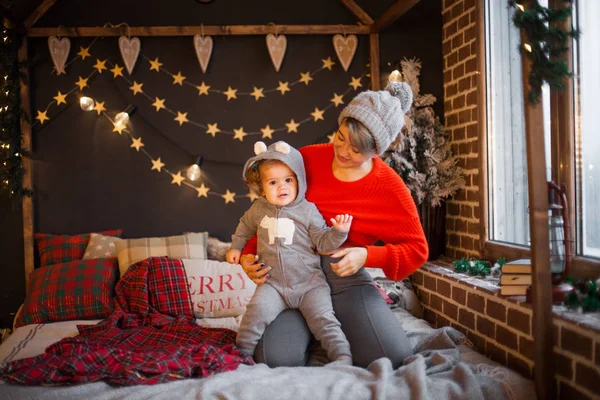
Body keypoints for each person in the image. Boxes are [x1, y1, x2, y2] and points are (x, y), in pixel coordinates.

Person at [239, 81, 429, 369]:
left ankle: (331, 325)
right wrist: (248, 256)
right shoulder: (306, 159)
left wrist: (367, 255)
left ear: (377, 150)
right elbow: (270, 210)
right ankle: (316, 329)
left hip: (345, 280)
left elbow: (417, 249)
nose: (342, 151)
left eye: (356, 149)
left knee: (392, 358)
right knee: (275, 359)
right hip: (294, 275)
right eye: (340, 137)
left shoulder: (389, 188)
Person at [226, 140, 354, 366]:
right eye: (273, 182)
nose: (282, 187)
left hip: (309, 283)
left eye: (288, 180)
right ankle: (241, 355)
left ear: (299, 181)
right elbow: (244, 226)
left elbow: (323, 242)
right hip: (272, 284)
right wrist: (236, 247)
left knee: (324, 319)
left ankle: (342, 356)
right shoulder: (258, 209)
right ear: (262, 188)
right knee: (254, 314)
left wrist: (339, 232)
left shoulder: (307, 210)